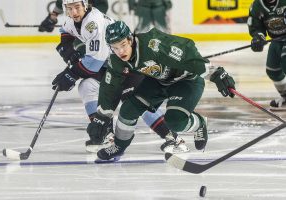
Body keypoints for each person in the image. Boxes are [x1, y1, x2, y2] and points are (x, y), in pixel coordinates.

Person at [51, 0, 189, 153]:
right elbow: (66, 29)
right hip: (109, 66)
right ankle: (106, 135)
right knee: (87, 86)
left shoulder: (93, 23)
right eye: (69, 8)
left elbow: (94, 63)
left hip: (127, 65)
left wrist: (70, 75)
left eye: (77, 7)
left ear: (85, 5)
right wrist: (66, 46)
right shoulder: (72, 19)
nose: (74, 12)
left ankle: (173, 138)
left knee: (134, 100)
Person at [89, 21, 236, 161]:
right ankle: (118, 147)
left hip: (186, 81)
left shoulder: (153, 44)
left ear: (130, 39)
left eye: (123, 44)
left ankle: (200, 123)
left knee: (175, 121)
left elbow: (186, 49)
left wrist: (215, 73)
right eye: (115, 47)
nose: (120, 51)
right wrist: (101, 117)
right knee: (128, 109)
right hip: (158, 82)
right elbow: (109, 87)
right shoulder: (116, 60)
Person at [248, 0, 286, 110]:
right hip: (276, 40)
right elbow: (256, 27)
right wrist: (258, 37)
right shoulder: (257, 5)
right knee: (273, 71)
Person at [39, 0, 109, 33]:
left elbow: (102, 6)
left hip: (93, 23)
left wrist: (91, 20)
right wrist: (51, 19)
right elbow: (61, 3)